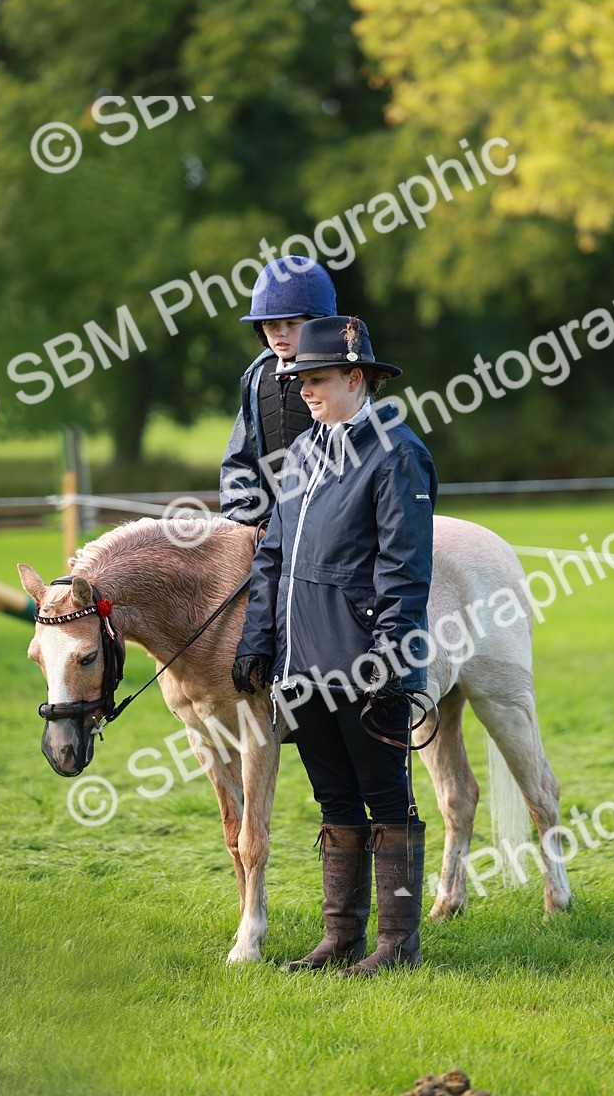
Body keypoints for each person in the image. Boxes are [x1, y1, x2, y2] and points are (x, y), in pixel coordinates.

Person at [231, 315, 438, 975]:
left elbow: (405, 570)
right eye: (299, 382)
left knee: (387, 799)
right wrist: (259, 640)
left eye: (316, 380)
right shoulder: (303, 453)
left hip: (365, 665)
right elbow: (275, 560)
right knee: (333, 799)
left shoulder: (396, 452)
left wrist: (391, 657)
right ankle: (342, 936)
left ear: (357, 377)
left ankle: (397, 945)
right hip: (302, 665)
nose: (304, 392)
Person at [220, 255, 337, 525]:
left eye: (292, 324)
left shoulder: (339, 376)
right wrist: (241, 519)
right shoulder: (257, 377)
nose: (280, 333)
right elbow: (239, 461)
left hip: (329, 522)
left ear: (317, 322)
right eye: (272, 324)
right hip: (270, 524)